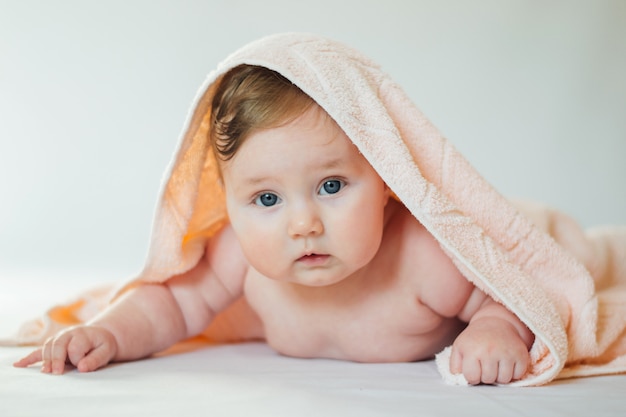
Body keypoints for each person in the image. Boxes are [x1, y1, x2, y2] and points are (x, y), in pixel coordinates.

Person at [14, 64, 534, 385]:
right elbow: (173, 302)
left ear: (384, 181)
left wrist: (496, 330)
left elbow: (510, 293)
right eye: (266, 198)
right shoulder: (239, 256)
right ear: (229, 201)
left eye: (331, 186)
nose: (304, 223)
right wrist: (108, 332)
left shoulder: (423, 255)